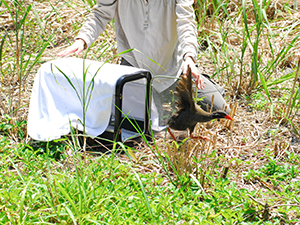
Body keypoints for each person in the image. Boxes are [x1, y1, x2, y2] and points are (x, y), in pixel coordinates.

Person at [55, 0, 229, 133]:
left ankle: (186, 89)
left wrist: (189, 57)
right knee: (134, 126)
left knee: (220, 110)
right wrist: (82, 39)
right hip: (134, 70)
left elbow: (186, 22)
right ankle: (156, 99)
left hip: (174, 69)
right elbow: (100, 14)